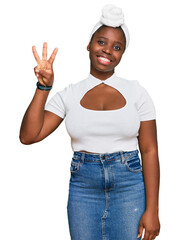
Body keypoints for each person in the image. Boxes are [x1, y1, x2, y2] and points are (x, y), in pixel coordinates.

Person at [19, 4, 160, 240]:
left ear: (122, 54)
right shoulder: (69, 95)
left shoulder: (137, 93)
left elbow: (149, 150)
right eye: (101, 42)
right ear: (89, 44)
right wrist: (44, 87)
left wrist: (153, 210)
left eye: (117, 47)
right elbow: (29, 136)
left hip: (129, 187)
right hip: (84, 189)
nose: (107, 51)